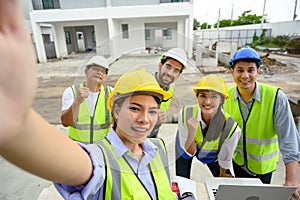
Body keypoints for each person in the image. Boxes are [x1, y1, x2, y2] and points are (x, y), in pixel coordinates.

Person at [0, 2, 177, 198]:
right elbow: (67, 161)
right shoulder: (99, 161)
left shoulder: (158, 149)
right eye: (135, 108)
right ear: (116, 111)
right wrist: (15, 120)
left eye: (152, 111)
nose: (145, 119)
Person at [223, 46, 300, 196]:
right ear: (232, 71)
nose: (245, 75)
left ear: (258, 71)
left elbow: (289, 139)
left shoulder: (276, 97)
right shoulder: (226, 97)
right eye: (240, 70)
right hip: (237, 164)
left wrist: (291, 180)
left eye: (251, 70)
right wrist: (223, 169)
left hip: (264, 168)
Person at [175, 75, 241, 178]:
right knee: (182, 181)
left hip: (212, 154)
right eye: (203, 96)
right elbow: (190, 152)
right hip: (188, 145)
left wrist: (222, 176)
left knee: (224, 181)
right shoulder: (185, 115)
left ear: (222, 100)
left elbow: (224, 159)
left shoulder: (231, 128)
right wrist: (191, 133)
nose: (207, 102)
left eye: (214, 96)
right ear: (197, 97)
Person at [61, 55, 112, 144]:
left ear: (105, 77)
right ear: (86, 72)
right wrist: (77, 102)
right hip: (78, 147)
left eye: (103, 71)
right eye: (95, 69)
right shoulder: (71, 92)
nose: (99, 72)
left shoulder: (111, 93)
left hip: (101, 149)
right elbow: (65, 122)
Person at [149, 47, 188, 138]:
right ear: (160, 65)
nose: (170, 73)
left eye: (176, 70)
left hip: (154, 132)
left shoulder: (171, 89)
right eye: (168, 66)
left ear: (179, 75)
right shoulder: (145, 83)